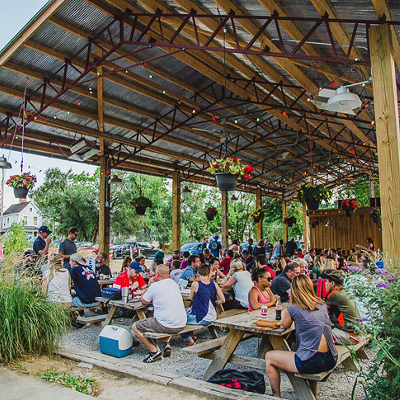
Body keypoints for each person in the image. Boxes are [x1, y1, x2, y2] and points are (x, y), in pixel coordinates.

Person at [265, 275, 338, 399]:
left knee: (269, 357)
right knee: (307, 349)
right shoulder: (321, 304)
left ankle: (276, 396)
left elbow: (285, 325)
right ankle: (313, 395)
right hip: (331, 357)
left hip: (311, 361)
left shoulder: (292, 307)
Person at [132, 264, 187, 363]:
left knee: (135, 326)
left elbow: (143, 301)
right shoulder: (173, 283)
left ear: (157, 274)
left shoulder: (155, 286)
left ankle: (154, 351)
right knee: (153, 320)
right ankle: (165, 345)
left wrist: (151, 298)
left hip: (167, 325)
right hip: (181, 323)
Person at [182, 263, 225, 345]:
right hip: (213, 315)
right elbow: (222, 300)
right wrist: (215, 303)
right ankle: (191, 335)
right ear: (209, 273)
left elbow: (191, 298)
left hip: (202, 317)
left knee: (180, 320)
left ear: (198, 273)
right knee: (188, 315)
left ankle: (189, 339)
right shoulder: (214, 284)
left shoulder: (196, 284)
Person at [321, 270, 361, 344]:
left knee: (317, 336)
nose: (325, 284)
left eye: (326, 281)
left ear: (332, 283)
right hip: (356, 333)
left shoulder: (335, 295)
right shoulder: (344, 291)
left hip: (350, 336)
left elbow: (319, 308)